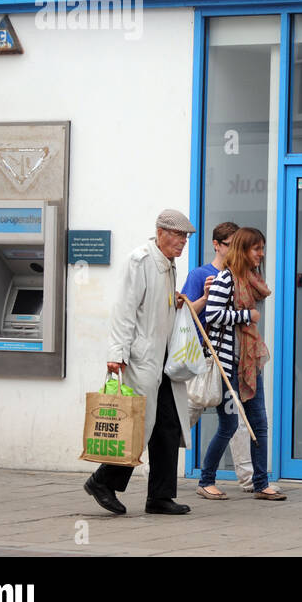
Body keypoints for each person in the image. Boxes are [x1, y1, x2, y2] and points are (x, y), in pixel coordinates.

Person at [84, 210, 197, 516]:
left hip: (163, 361)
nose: (183, 243)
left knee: (168, 427)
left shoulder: (168, 265)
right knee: (137, 425)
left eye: (186, 238)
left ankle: (160, 496)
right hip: (140, 359)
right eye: (179, 236)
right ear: (161, 232)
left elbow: (155, 308)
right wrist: (116, 354)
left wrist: (173, 301)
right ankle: (102, 481)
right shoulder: (141, 261)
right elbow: (125, 309)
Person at [199, 227, 286, 501]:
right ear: (243, 251)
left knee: (259, 423)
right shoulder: (225, 279)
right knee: (229, 425)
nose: (260, 254)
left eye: (262, 248)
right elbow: (212, 314)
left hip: (248, 365)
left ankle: (261, 483)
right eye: (256, 248)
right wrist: (246, 315)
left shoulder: (250, 280)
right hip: (226, 365)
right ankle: (206, 480)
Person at [182, 221, 255, 494]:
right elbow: (186, 313)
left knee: (233, 420)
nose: (235, 250)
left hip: (228, 359)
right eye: (229, 244)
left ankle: (247, 478)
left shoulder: (240, 277)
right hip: (202, 358)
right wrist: (206, 296)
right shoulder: (200, 274)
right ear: (217, 245)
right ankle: (146, 465)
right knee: (186, 416)